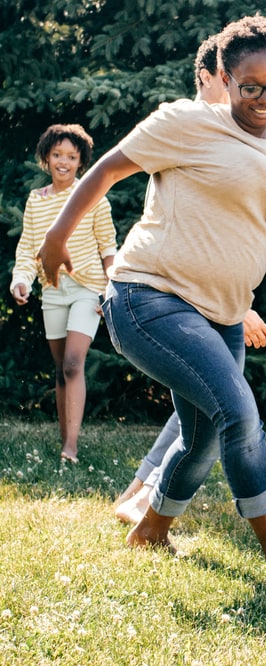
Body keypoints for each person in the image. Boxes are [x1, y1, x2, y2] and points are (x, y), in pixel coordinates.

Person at [38, 15, 266, 591]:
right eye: (249, 86)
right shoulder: (187, 122)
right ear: (224, 77)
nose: (264, 98)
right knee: (239, 412)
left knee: (203, 437)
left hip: (222, 316)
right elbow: (106, 170)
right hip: (148, 297)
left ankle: (150, 530)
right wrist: (56, 237)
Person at [113, 32, 266, 526]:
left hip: (213, 301)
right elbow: (184, 228)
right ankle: (141, 496)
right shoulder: (186, 124)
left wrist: (236, 300)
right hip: (161, 293)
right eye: (229, 86)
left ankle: (144, 502)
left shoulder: (247, 139)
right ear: (210, 79)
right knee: (223, 401)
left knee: (204, 416)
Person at [10, 123, 117, 464]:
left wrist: (110, 290)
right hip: (53, 290)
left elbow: (108, 248)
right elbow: (28, 248)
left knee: (73, 362)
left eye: (71, 157)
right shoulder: (36, 201)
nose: (63, 162)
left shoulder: (93, 197)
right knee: (61, 369)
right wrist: (20, 280)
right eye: (57, 155)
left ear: (81, 162)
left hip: (89, 288)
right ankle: (64, 442)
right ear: (46, 157)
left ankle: (71, 446)